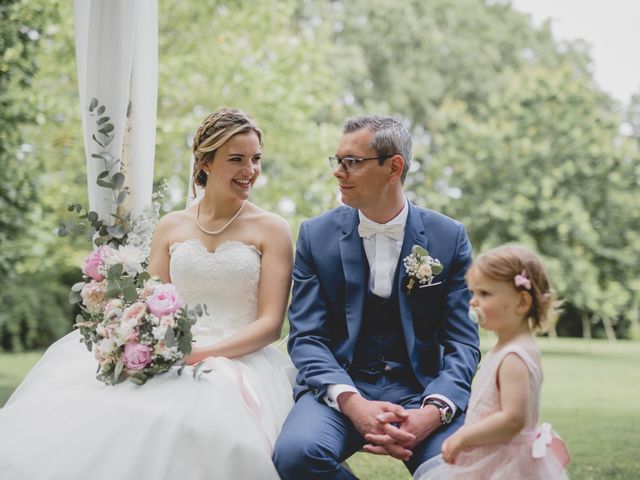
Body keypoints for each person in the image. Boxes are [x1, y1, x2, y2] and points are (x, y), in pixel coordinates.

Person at [0, 108, 295, 480]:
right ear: (204, 163)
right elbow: (149, 303)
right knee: (108, 411)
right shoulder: (171, 225)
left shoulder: (273, 229)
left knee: (204, 416)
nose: (249, 170)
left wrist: (200, 354)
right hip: (169, 348)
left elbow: (270, 325)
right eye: (236, 159)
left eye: (255, 159)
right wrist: (146, 343)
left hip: (239, 356)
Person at [273, 114, 481, 479]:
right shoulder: (314, 236)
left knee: (461, 467)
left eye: (351, 162)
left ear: (393, 167)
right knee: (296, 455)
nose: (339, 171)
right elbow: (307, 337)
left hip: (421, 390)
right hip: (340, 389)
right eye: (337, 161)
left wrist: (431, 412)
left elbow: (463, 343)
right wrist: (353, 403)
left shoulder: (448, 237)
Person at [413, 245, 570, 479]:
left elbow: (513, 419)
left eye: (485, 294)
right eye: (473, 293)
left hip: (504, 461)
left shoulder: (514, 357)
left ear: (521, 302)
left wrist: (463, 436)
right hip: (492, 452)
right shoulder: (507, 347)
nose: (473, 302)